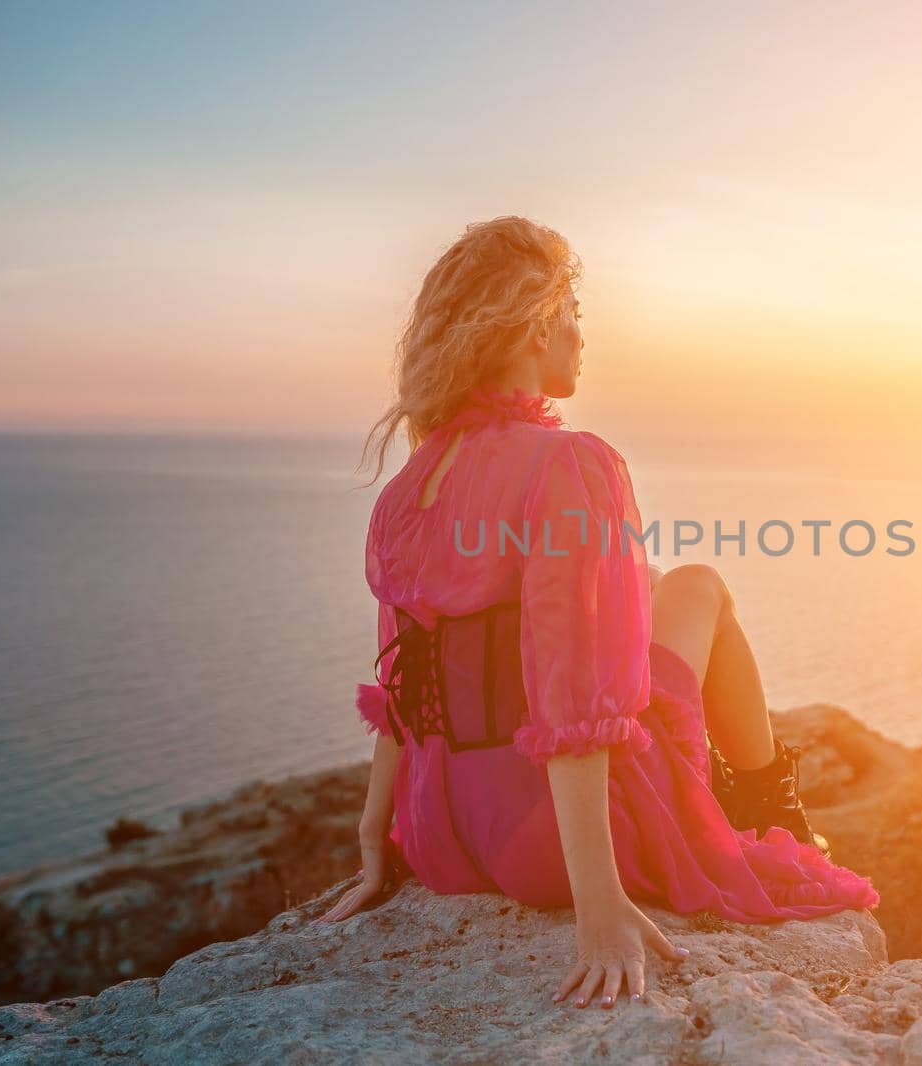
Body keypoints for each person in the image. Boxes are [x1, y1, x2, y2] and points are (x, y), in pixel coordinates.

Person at [312, 216, 879, 1012]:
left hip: (441, 833)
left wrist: (378, 840)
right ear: (534, 319)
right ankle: (768, 806)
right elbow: (575, 702)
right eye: (573, 311)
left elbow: (401, 682)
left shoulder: (417, 478)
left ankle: (755, 798)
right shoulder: (571, 463)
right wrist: (599, 906)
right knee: (699, 584)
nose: (581, 336)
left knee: (644, 582)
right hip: (549, 846)